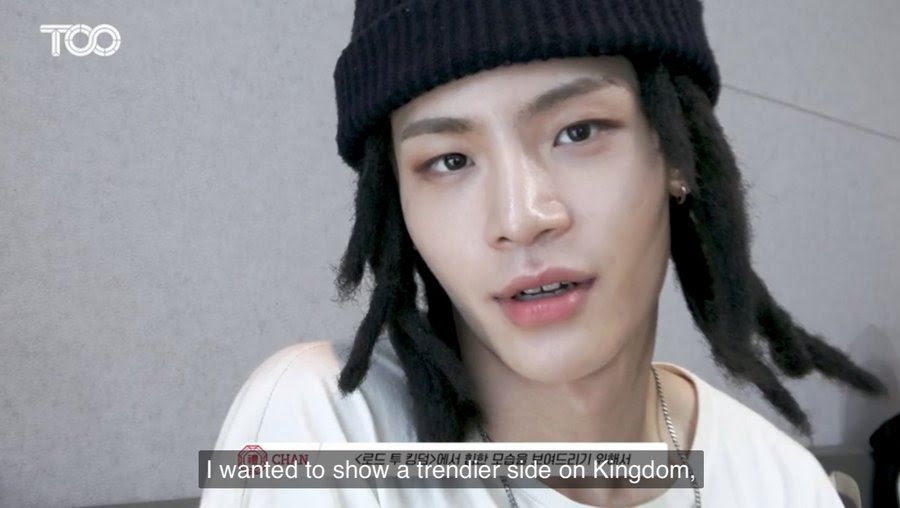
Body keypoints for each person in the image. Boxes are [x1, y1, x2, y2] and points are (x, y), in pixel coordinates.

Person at [200, 0, 886, 506]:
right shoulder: (319, 434)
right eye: (449, 160)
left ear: (677, 155)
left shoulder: (781, 483)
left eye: (578, 131)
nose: (521, 219)